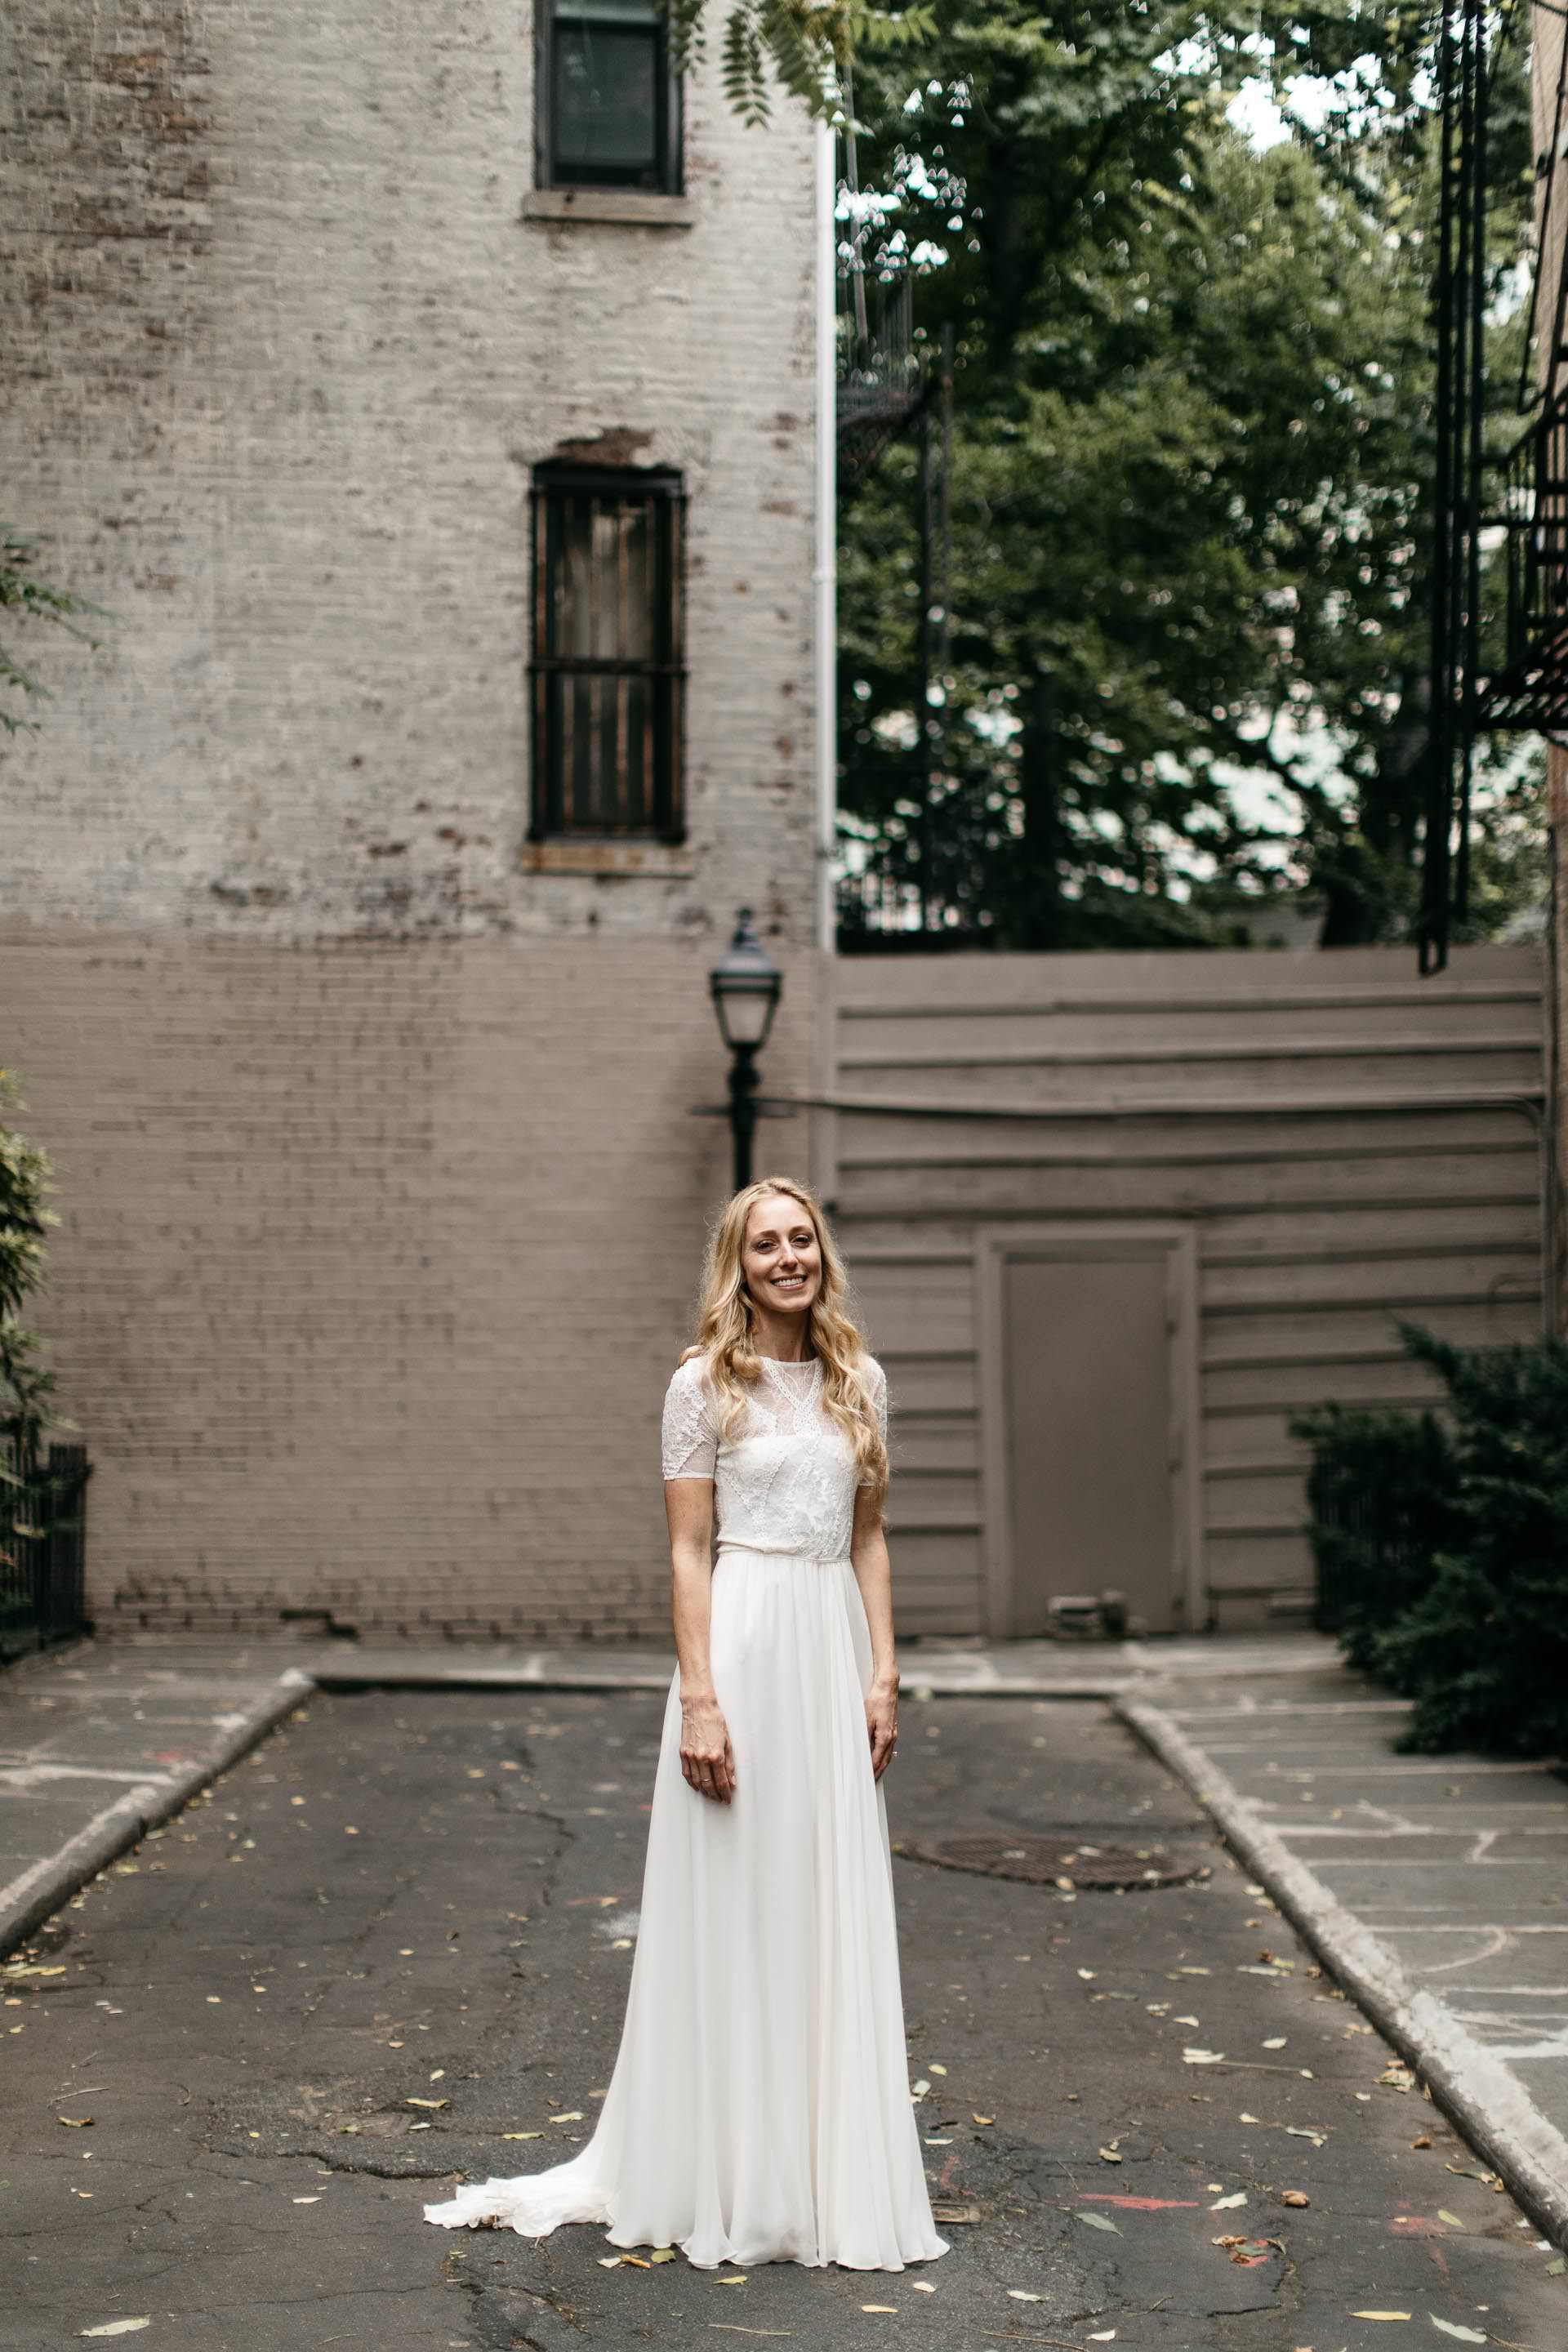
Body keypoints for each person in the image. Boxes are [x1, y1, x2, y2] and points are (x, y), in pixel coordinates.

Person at [425, 1174, 948, 2272]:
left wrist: (885, 1673)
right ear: (739, 1264)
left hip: (831, 1652)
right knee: (739, 1902)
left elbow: (869, 1539)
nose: (789, 1257)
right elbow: (685, 1551)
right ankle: (728, 2173)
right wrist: (699, 1694)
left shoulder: (862, 1381)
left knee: (821, 1904)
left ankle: (822, 2178)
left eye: (803, 1237)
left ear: (822, 1254)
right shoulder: (700, 1385)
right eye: (767, 1244)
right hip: (746, 1652)